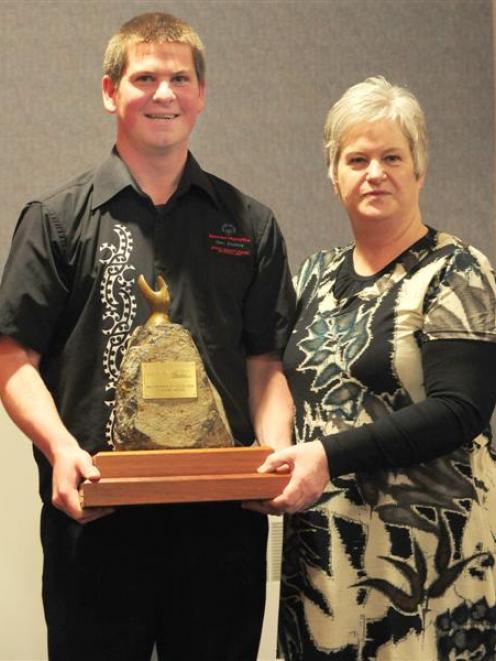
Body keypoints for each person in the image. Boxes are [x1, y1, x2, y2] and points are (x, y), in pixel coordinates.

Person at [0, 12, 295, 661]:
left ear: (201, 95)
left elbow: (266, 361)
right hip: (97, 518)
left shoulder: (249, 224)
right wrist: (58, 448)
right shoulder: (55, 221)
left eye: (180, 78)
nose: (164, 93)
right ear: (111, 91)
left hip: (223, 524)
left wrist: (272, 453)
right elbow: (14, 357)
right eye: (145, 77)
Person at [248, 77, 496, 659]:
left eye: (392, 157)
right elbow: (276, 375)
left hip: (428, 569)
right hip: (322, 560)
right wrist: (273, 452)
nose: (374, 172)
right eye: (356, 159)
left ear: (420, 170)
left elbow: (459, 410)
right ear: (334, 176)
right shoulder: (313, 275)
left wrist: (327, 457)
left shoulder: (459, 272)